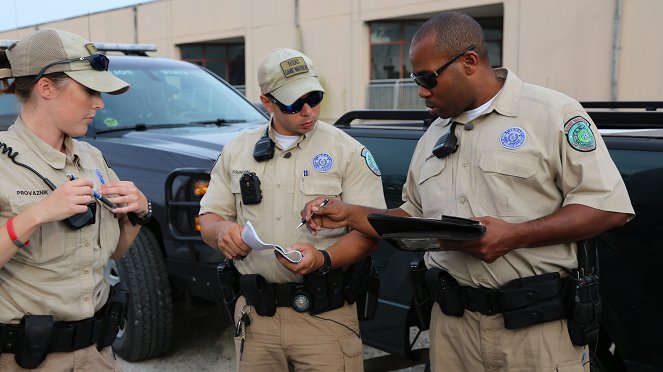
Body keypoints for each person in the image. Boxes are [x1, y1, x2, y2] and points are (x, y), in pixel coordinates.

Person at [301, 11, 634, 372]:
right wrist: (349, 213)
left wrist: (514, 237)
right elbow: (414, 218)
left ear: (470, 62)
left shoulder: (551, 114)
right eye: (416, 79)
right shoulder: (432, 136)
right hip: (452, 331)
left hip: (535, 333)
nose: (422, 91)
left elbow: (607, 206)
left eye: (428, 78)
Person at [199, 48, 386, 371]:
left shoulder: (347, 152)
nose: (308, 110)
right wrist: (222, 233)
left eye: (314, 97)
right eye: (293, 103)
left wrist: (323, 259)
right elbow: (209, 219)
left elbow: (373, 231)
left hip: (325, 320)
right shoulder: (236, 151)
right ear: (267, 102)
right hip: (257, 319)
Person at [0, 29, 151, 370]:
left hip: (97, 353)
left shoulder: (92, 158)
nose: (99, 103)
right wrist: (37, 214)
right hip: (29, 359)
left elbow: (114, 252)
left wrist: (138, 213)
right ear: (47, 88)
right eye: (90, 90)